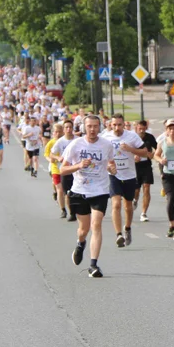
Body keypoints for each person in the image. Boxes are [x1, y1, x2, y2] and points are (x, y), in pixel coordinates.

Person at [59, 115, 117, 278]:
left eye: (95, 126)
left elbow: (111, 163)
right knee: (83, 230)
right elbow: (62, 169)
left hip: (100, 190)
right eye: (89, 126)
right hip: (79, 190)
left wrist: (112, 169)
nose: (92, 129)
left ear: (100, 127)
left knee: (96, 225)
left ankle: (93, 265)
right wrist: (79, 165)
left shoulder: (106, 145)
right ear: (84, 127)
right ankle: (80, 243)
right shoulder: (76, 144)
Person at [101, 113, 150, 247]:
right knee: (116, 204)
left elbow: (145, 152)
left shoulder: (131, 136)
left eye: (119, 124)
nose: (117, 127)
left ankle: (127, 228)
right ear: (111, 125)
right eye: (114, 125)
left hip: (129, 175)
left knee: (128, 205)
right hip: (113, 175)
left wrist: (130, 149)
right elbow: (100, 156)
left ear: (124, 124)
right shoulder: (105, 137)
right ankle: (118, 235)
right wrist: (108, 165)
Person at [132, 120, 158, 223]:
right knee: (136, 190)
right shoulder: (132, 138)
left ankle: (143, 213)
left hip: (146, 166)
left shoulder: (149, 137)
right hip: (135, 167)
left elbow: (157, 148)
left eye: (143, 128)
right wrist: (133, 156)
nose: (142, 131)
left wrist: (153, 155)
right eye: (140, 128)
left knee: (146, 188)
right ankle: (135, 200)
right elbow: (126, 150)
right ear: (136, 128)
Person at [51, 120, 77, 221]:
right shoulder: (60, 141)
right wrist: (58, 158)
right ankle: (71, 213)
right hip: (65, 170)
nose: (69, 129)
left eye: (70, 127)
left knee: (78, 192)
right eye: (66, 127)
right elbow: (51, 154)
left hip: (77, 170)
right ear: (64, 129)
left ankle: (78, 210)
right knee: (67, 193)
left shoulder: (78, 140)